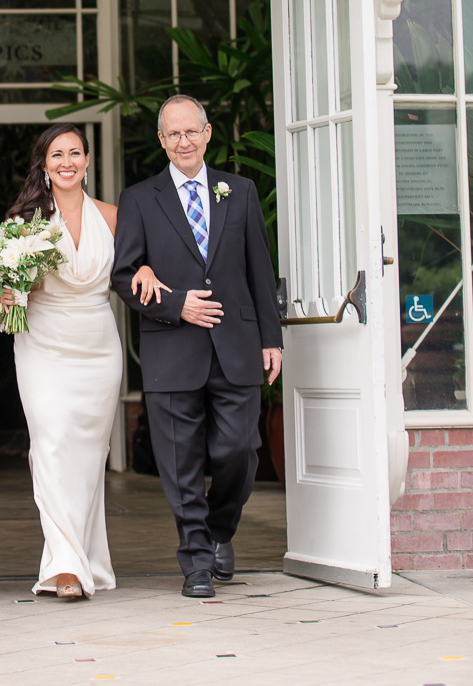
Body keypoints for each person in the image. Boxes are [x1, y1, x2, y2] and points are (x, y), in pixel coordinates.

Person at [111, 94, 282, 600]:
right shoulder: (141, 198)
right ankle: (196, 562)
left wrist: (270, 339)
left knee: (240, 450)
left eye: (192, 132)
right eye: (173, 134)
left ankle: (219, 529)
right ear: (161, 141)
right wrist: (177, 304)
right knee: (180, 463)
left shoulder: (241, 191)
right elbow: (125, 275)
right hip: (172, 348)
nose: (183, 141)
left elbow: (259, 270)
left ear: (207, 134)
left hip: (237, 343)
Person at [10, 124, 122, 600]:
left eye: (75, 153)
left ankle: (84, 561)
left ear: (88, 160)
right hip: (43, 345)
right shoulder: (24, 222)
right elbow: (3, 289)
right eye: (57, 154)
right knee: (51, 446)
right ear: (44, 163)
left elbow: (139, 264)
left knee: (89, 459)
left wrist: (152, 269)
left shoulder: (115, 217)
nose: (67, 162)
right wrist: (5, 289)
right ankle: (67, 567)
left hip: (99, 348)